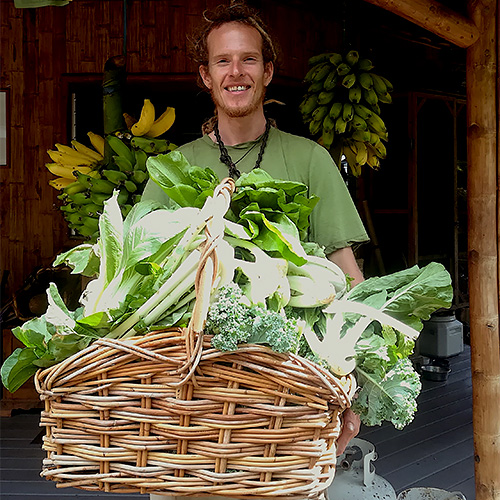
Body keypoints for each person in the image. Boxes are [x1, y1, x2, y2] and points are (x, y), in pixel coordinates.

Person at [146, 3, 369, 498]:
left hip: (289, 394)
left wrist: (356, 385)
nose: (236, 72)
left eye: (248, 60)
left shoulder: (310, 159)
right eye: (223, 62)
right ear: (205, 76)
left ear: (267, 72)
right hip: (194, 391)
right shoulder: (174, 169)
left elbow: (347, 275)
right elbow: (147, 275)